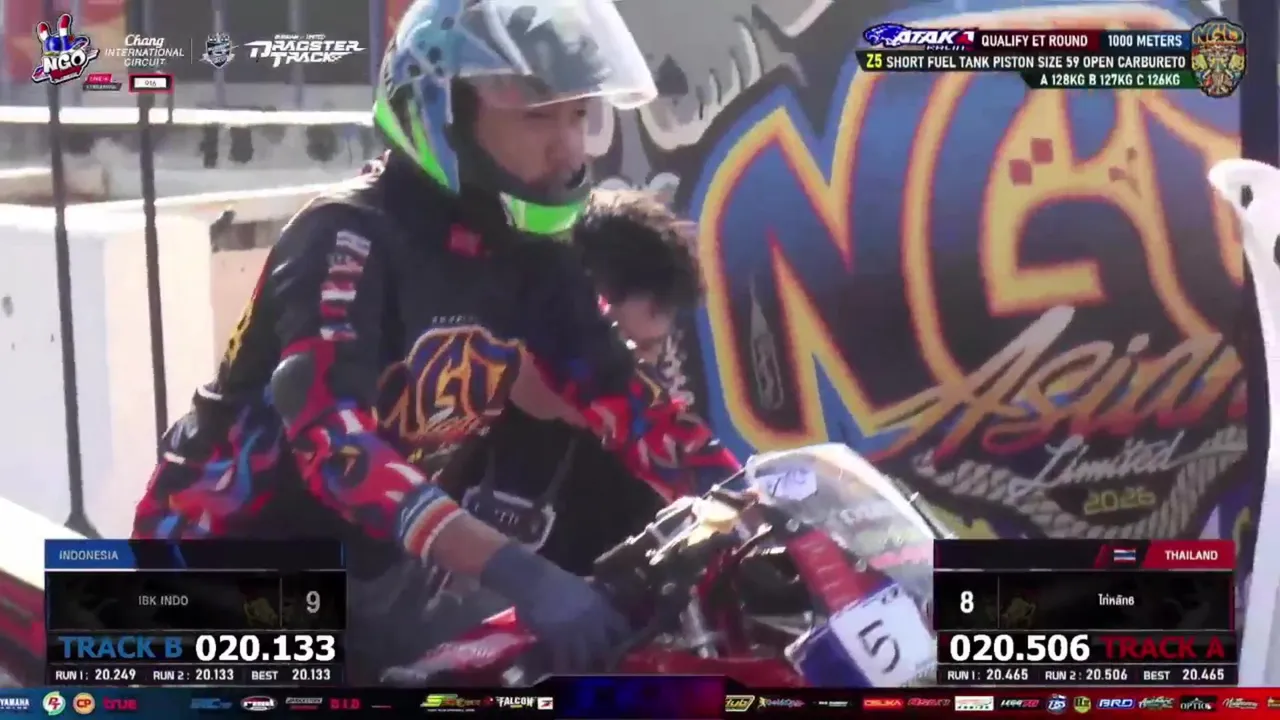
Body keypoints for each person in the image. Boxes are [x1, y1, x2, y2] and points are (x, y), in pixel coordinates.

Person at [132, 0, 742, 680]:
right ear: (443, 111)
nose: (569, 147)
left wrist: (756, 506)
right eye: (539, 116)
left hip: (380, 577)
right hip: (224, 568)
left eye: (578, 116)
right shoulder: (347, 235)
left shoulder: (533, 256)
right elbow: (336, 445)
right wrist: (522, 572)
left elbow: (624, 398)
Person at [446, 188, 704, 577]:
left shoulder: (636, 478)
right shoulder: (432, 409)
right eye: (608, 339)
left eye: (646, 350)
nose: (618, 370)